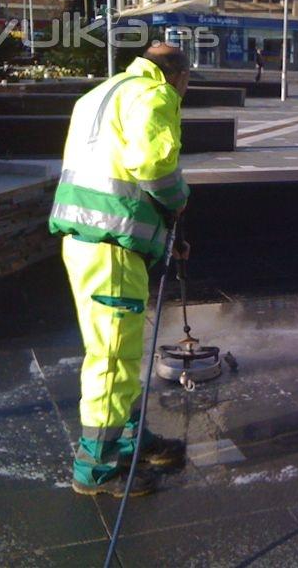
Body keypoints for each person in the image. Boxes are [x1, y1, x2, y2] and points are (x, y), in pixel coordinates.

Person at [49, 43, 192, 497]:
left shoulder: (99, 94)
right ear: (178, 76)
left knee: (120, 348)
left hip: (89, 239)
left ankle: (130, 439)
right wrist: (178, 199)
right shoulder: (154, 94)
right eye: (186, 85)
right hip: (110, 247)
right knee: (111, 357)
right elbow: (152, 165)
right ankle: (96, 469)